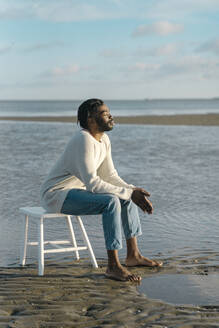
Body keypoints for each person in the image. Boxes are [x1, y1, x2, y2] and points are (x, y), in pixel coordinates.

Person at [40, 99, 162, 282]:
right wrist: (128, 192)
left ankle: (133, 256)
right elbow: (93, 184)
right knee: (112, 201)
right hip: (57, 195)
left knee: (126, 197)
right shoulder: (83, 139)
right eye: (105, 113)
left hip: (78, 192)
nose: (111, 116)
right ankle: (113, 266)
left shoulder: (104, 139)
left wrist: (131, 190)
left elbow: (110, 175)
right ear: (91, 119)